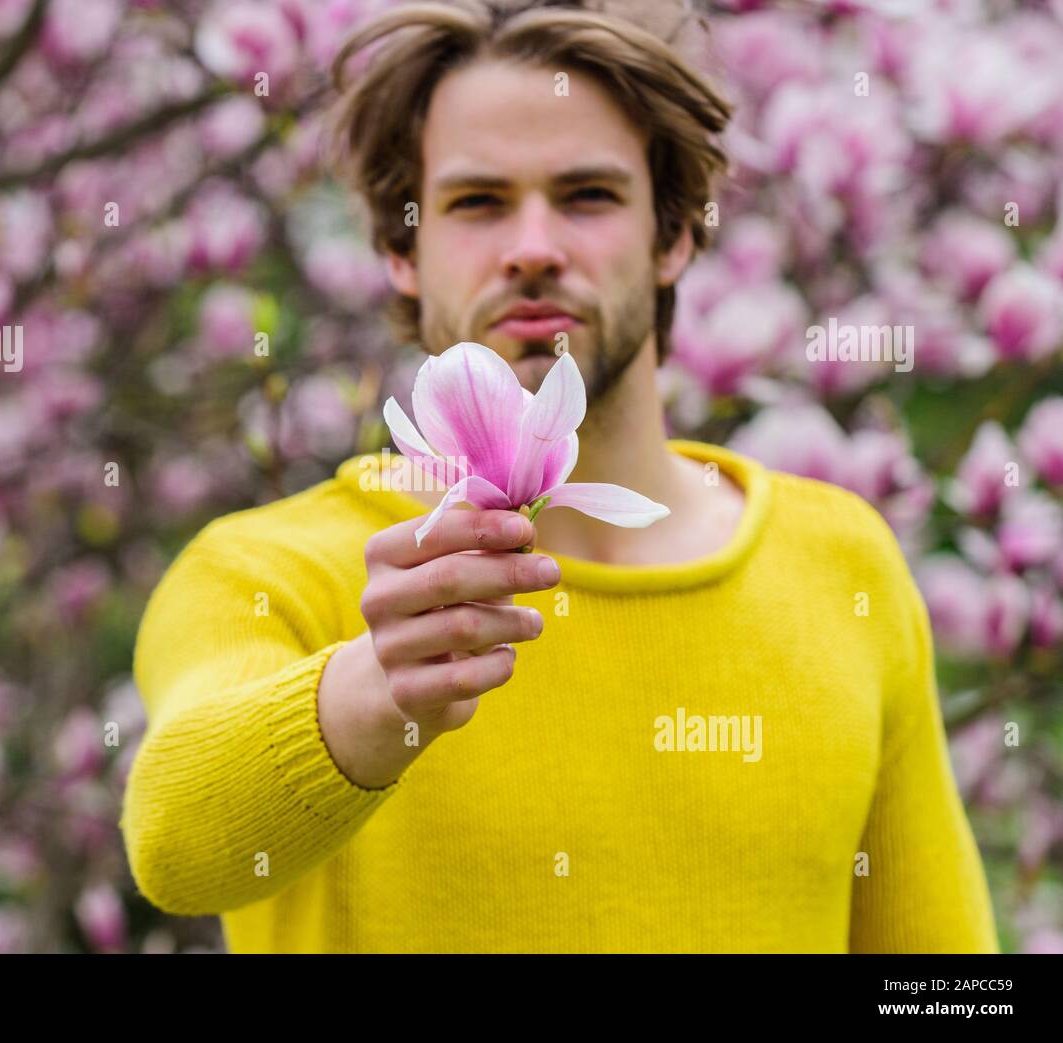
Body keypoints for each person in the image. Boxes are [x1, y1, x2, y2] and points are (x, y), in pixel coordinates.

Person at [120, 0, 999, 953]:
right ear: (400, 251)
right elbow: (176, 844)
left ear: (674, 235)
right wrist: (375, 697)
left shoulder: (842, 563)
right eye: (477, 202)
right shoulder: (268, 571)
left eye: (587, 195)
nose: (532, 245)